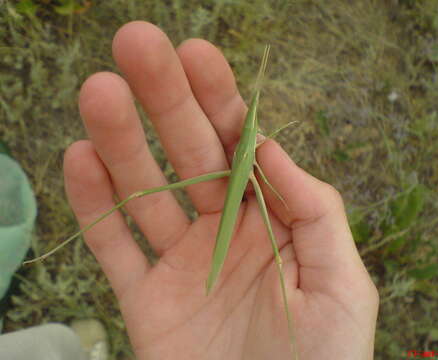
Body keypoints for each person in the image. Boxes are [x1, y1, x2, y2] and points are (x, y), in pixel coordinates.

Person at [6, 21, 380, 360]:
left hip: (242, 183)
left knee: (149, 199)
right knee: (138, 193)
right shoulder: (251, 141)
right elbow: (259, 174)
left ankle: (297, 350)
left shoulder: (254, 145)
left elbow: (262, 176)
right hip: (237, 180)